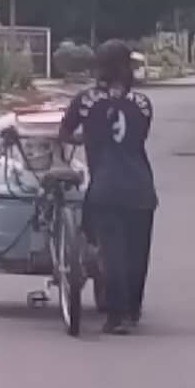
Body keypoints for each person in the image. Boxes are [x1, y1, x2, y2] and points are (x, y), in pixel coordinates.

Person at [59, 40, 158, 335]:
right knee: (137, 252)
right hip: (141, 185)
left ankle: (115, 315)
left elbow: (65, 133)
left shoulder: (85, 100)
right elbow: (138, 137)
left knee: (111, 251)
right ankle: (132, 311)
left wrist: (86, 140)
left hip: (105, 185)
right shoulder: (142, 103)